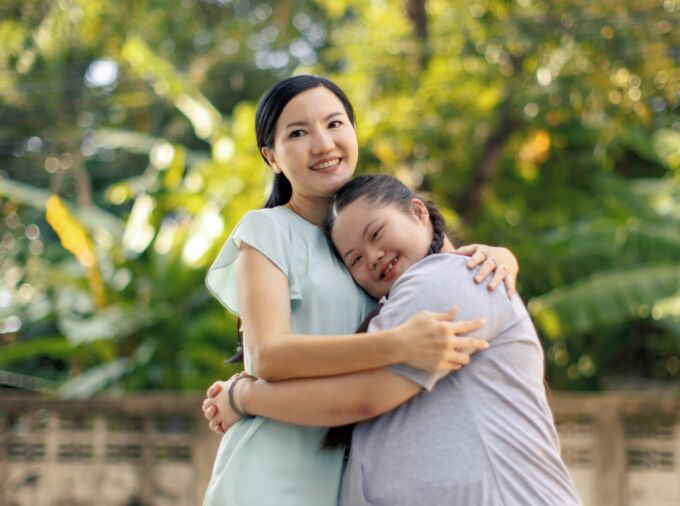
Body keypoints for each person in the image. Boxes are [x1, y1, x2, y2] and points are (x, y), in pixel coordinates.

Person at [201, 76, 519, 506]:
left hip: (351, 480)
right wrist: (397, 345)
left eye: (334, 124)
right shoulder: (268, 230)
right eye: (298, 133)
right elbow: (270, 356)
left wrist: (502, 256)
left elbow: (455, 279)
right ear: (271, 157)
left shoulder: (370, 233)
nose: (322, 143)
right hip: (272, 474)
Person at [204, 176, 581, 505]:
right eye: (354, 259)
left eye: (376, 234)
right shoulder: (397, 304)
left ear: (418, 212)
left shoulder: (450, 278)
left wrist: (245, 397)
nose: (373, 257)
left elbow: (363, 396)